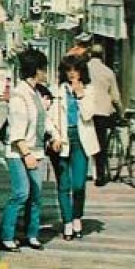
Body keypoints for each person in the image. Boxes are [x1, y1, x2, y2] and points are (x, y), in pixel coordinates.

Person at [0, 48, 52, 252]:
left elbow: (43, 120)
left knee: (36, 195)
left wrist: (54, 136)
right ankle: (6, 236)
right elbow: (17, 130)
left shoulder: (35, 93)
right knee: (21, 193)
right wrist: (26, 153)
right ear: (36, 70)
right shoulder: (19, 95)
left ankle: (32, 234)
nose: (46, 73)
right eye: (44, 69)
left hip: (36, 151)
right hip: (18, 152)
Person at [50, 53, 100, 240]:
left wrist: (80, 95)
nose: (72, 74)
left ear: (81, 71)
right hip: (61, 140)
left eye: (75, 70)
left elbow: (88, 115)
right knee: (64, 185)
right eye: (68, 70)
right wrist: (55, 137)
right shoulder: (57, 90)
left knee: (79, 185)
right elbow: (51, 116)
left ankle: (77, 216)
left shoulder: (89, 89)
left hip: (81, 140)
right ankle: (68, 223)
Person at [87, 42, 121, 186]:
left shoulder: (84, 69)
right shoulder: (108, 72)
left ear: (90, 54)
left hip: (86, 111)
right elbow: (115, 96)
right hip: (102, 112)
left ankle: (85, 172)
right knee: (101, 144)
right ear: (103, 56)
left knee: (86, 142)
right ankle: (100, 176)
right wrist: (120, 110)